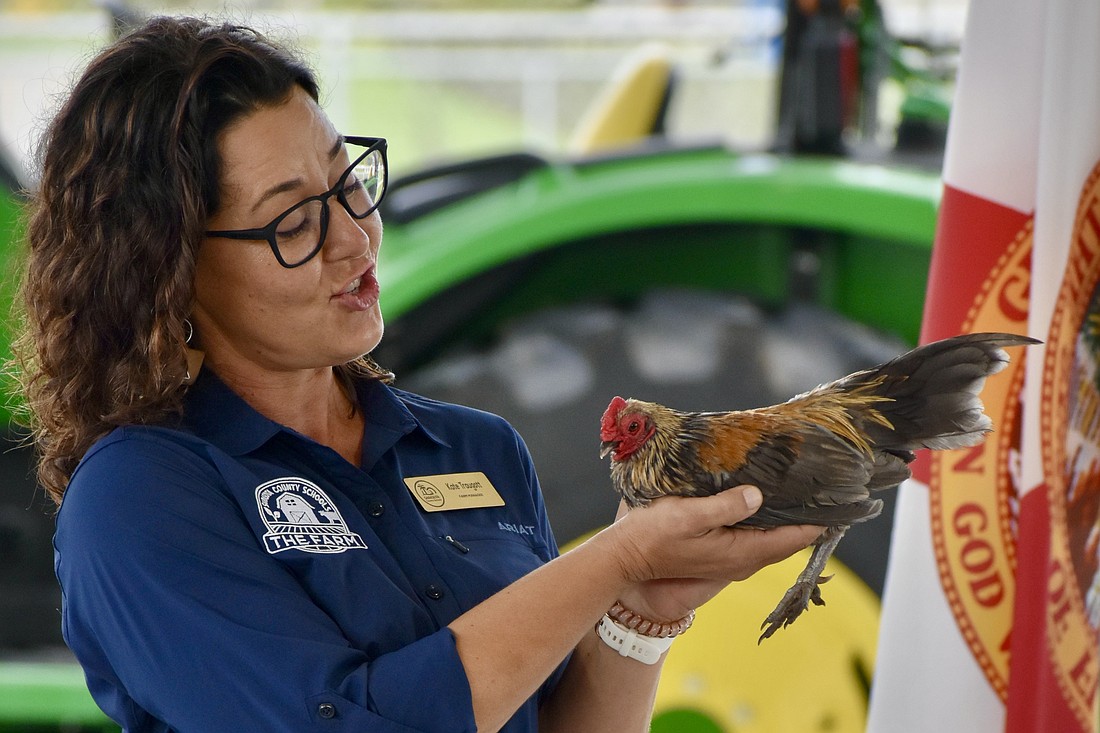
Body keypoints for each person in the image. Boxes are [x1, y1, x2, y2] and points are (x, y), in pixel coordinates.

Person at [11, 16, 823, 732]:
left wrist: (640, 614)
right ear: (170, 270)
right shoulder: (140, 499)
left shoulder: (476, 448)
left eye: (349, 181)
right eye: (293, 219)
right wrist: (614, 560)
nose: (354, 239)